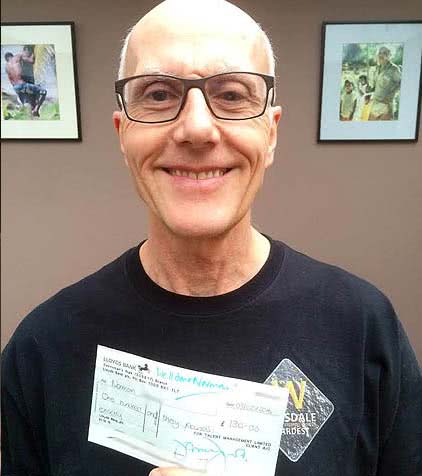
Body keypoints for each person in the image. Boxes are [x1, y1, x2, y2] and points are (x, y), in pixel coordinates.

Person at [2, 1, 421, 475]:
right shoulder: (43, 348)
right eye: (159, 94)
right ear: (123, 133)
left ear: (271, 133)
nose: (197, 128)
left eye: (232, 94)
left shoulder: (362, 327)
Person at [4, 46, 46, 117]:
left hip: (16, 88)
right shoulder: (17, 57)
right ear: (12, 56)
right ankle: (36, 110)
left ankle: (29, 115)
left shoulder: (6, 67)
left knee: (27, 104)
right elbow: (31, 61)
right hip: (22, 85)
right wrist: (34, 52)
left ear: (6, 59)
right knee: (43, 92)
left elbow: (11, 80)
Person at [368, 46, 401, 121]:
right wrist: (370, 90)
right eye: (379, 53)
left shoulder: (394, 69)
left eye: (384, 53)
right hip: (375, 103)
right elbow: (376, 86)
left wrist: (391, 96)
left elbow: (400, 84)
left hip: (386, 105)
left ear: (389, 56)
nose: (381, 55)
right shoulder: (377, 69)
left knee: (385, 127)